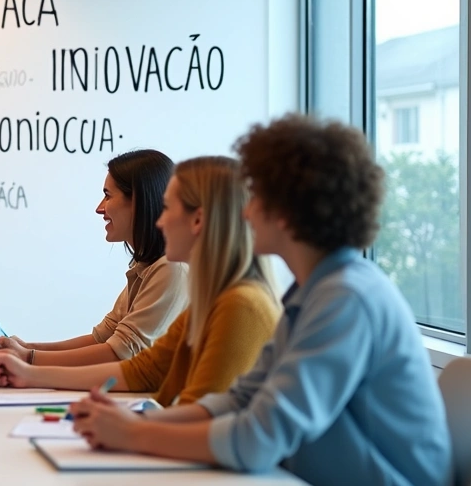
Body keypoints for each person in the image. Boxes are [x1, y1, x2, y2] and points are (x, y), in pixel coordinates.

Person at [70, 115, 451, 486]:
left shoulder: (346, 300)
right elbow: (241, 399)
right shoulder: (313, 293)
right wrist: (136, 425)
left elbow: (257, 439)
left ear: (287, 210)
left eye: (257, 196)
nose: (245, 210)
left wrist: (133, 435)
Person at [0, 156, 279, 407]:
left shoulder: (239, 304)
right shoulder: (209, 300)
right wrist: (27, 370)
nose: (160, 220)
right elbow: (143, 372)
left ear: (198, 220)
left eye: (168, 208)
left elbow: (205, 421)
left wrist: (30, 362)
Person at [0, 149, 188, 366]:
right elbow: (102, 338)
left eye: (108, 195)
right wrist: (27, 348)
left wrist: (29, 359)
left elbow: (119, 353)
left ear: (138, 201)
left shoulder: (171, 269)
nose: (99, 208)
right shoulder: (146, 266)